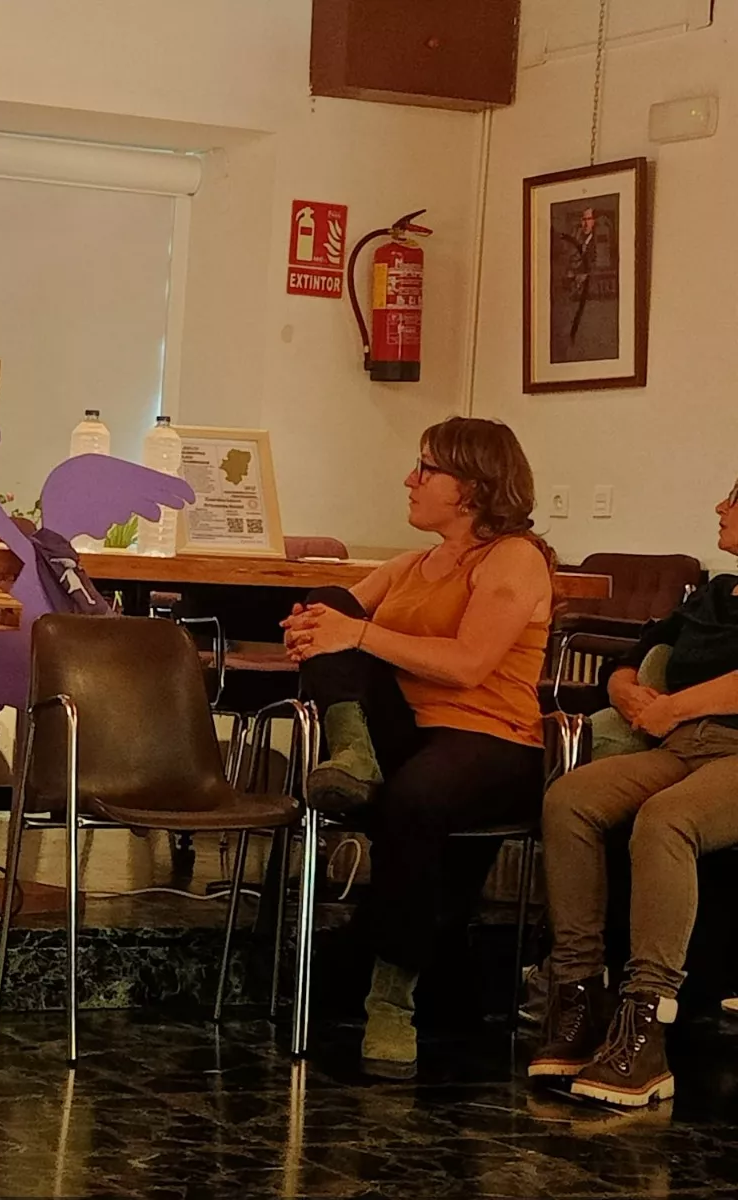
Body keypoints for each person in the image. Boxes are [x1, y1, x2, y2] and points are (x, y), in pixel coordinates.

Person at [283, 417, 553, 1078]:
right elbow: (331, 621)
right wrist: (309, 630)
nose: (411, 479)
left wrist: (354, 636)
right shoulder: (408, 566)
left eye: (427, 467)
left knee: (413, 799)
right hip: (406, 731)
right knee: (326, 598)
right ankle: (353, 756)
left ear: (473, 486)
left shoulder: (514, 557)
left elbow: (467, 665)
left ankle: (391, 1001)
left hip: (490, 737)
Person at [530, 478, 738, 1107]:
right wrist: (624, 690)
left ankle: (647, 1025)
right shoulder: (716, 594)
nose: (720, 506)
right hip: (681, 746)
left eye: (735, 498)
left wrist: (674, 705)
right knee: (570, 800)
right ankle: (578, 996)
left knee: (667, 819)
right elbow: (638, 651)